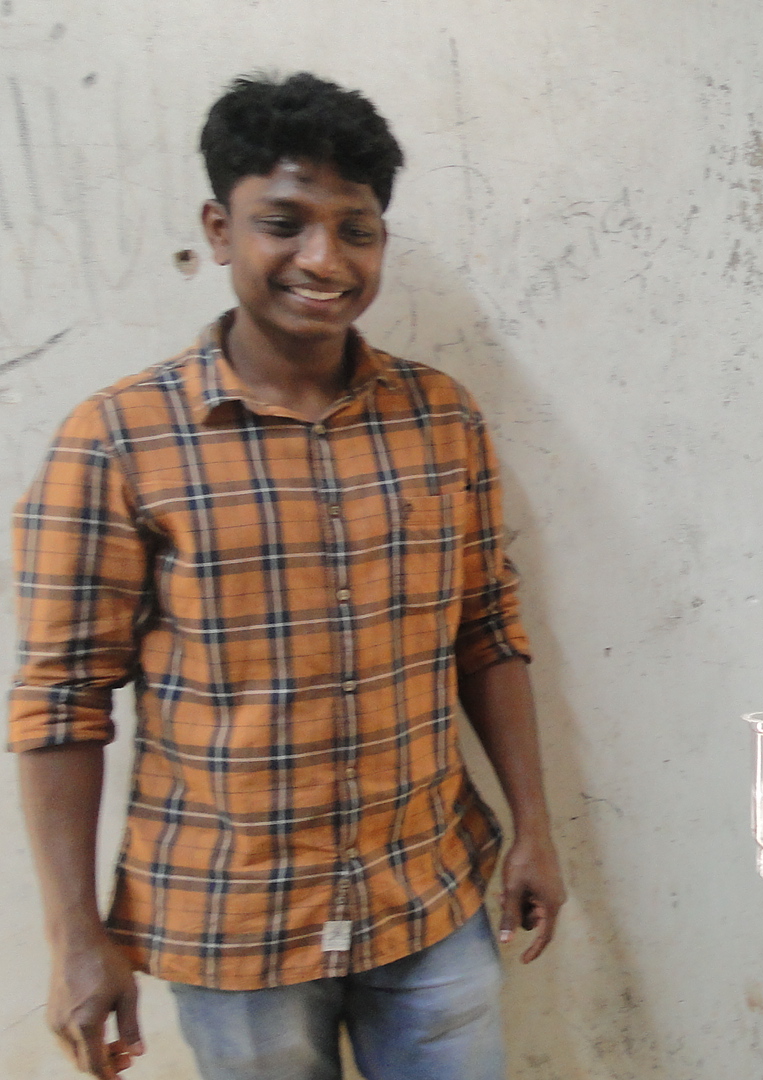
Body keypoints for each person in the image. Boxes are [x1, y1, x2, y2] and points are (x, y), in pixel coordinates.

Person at [10, 73, 565, 1080]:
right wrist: (74, 937)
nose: (324, 259)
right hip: (235, 928)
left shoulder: (440, 418)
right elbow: (60, 703)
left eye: (356, 230)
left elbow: (487, 633)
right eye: (284, 223)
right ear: (219, 230)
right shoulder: (118, 442)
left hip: (428, 897)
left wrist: (534, 829)